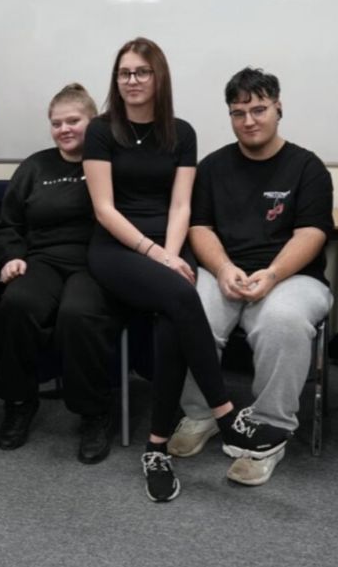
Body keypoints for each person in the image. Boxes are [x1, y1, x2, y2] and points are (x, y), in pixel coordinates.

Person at [83, 37, 285, 502]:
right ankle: (227, 413)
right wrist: (158, 257)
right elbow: (104, 209)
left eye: (141, 72)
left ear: (159, 78)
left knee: (173, 315)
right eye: (124, 73)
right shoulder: (100, 130)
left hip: (169, 245)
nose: (131, 81)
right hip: (116, 246)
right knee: (182, 296)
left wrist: (173, 254)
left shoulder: (181, 132)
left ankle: (156, 448)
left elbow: (179, 204)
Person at [172, 67, 334, 486]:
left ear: (278, 108)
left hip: (291, 276)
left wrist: (273, 273)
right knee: (190, 309)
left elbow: (312, 233)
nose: (249, 120)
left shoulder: (307, 167)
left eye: (259, 109)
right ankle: (201, 414)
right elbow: (200, 227)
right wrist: (224, 268)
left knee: (283, 321)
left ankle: (268, 431)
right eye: (238, 112)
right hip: (222, 270)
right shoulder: (211, 167)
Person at [0, 83, 125, 464]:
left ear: (93, 121)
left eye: (73, 121)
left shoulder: (111, 163)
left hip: (96, 261)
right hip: (42, 261)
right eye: (56, 123)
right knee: (17, 304)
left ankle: (94, 412)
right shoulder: (35, 166)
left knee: (78, 314)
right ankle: (19, 401)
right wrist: (12, 256)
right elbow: (7, 224)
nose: (64, 129)